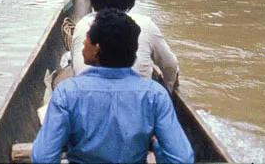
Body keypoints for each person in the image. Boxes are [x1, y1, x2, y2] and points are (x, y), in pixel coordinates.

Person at [31, 8, 194, 164]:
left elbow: (42, 158)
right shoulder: (155, 94)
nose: (83, 43)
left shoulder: (67, 93)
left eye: (87, 38)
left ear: (97, 49)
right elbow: (181, 159)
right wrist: (156, 145)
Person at [71, 0, 180, 90]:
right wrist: (167, 91)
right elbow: (171, 66)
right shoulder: (145, 25)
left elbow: (76, 69)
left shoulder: (82, 25)